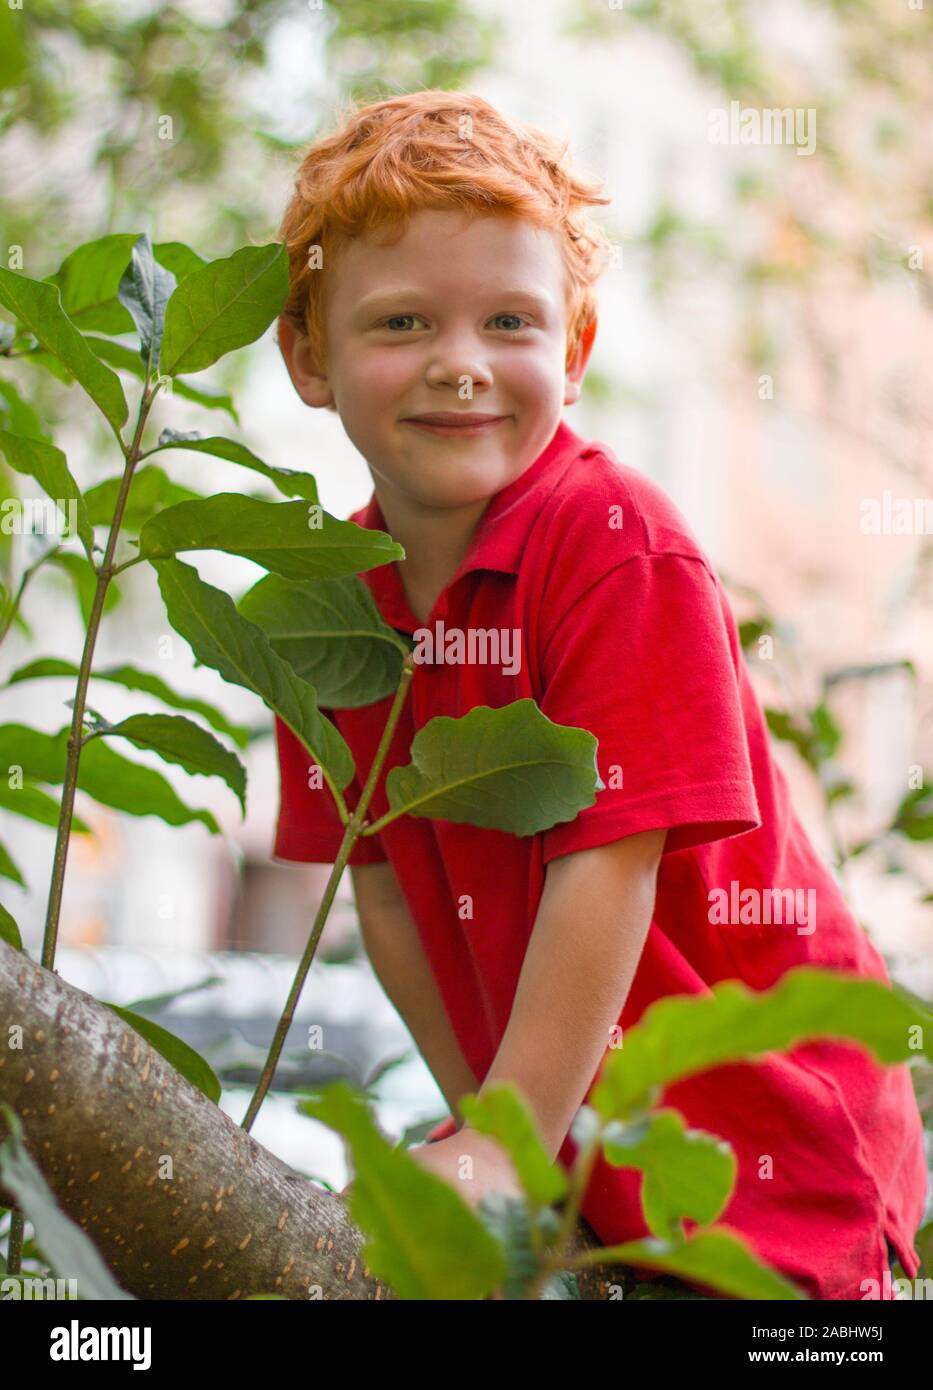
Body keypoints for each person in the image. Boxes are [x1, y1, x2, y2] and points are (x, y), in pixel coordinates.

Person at [270, 89, 927, 1300]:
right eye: (404, 320)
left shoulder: (615, 543)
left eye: (508, 321)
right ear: (308, 356)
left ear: (571, 351)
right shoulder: (327, 605)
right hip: (582, 1162)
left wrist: (506, 1148)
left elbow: (608, 865)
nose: (460, 365)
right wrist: (493, 1132)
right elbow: (389, 894)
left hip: (760, 1160)